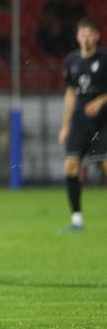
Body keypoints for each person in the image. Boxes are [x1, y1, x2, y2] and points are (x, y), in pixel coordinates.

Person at [58, 17, 107, 233]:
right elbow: (70, 94)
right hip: (79, 123)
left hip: (102, 124)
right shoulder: (72, 61)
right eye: (82, 34)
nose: (85, 37)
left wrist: (101, 100)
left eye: (89, 33)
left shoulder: (105, 59)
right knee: (70, 167)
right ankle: (76, 220)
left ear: (97, 36)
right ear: (77, 36)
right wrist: (65, 125)